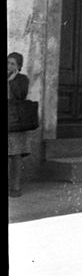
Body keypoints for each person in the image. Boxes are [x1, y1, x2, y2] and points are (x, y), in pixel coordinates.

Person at [8, 51, 31, 198]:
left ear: (19, 66)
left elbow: (20, 95)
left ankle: (15, 187)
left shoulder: (22, 79)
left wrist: (12, 80)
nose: (9, 66)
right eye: (7, 62)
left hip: (15, 120)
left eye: (12, 64)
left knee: (15, 155)